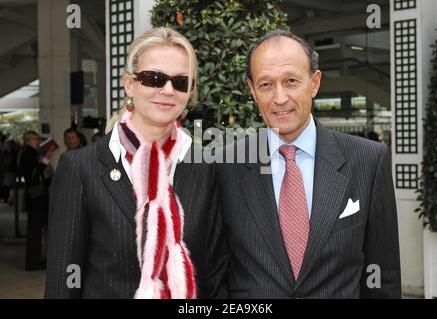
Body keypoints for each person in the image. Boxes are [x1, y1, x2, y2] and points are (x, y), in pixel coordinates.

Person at [214, 30, 401, 298]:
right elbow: (214, 274)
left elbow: (384, 276)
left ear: (314, 83)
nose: (280, 98)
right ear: (252, 91)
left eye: (291, 81)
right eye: (266, 85)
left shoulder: (369, 160)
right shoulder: (226, 166)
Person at [45, 27, 226, 299]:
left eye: (180, 82)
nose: (167, 90)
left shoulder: (205, 167)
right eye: (154, 78)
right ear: (130, 84)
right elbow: (63, 281)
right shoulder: (81, 168)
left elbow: (214, 277)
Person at [18, 131, 55, 271]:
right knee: (34, 231)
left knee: (37, 229)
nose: (37, 141)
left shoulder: (30, 153)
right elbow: (34, 174)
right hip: (35, 196)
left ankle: (36, 260)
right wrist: (46, 159)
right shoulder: (28, 154)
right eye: (35, 139)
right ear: (29, 140)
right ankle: (33, 262)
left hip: (37, 196)